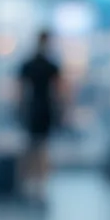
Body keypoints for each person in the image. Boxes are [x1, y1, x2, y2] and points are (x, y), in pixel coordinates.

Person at [16, 30, 63, 204]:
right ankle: (36, 188)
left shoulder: (31, 64)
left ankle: (31, 188)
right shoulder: (49, 65)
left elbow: (21, 91)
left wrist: (20, 109)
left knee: (33, 148)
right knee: (39, 149)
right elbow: (58, 91)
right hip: (42, 109)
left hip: (34, 109)